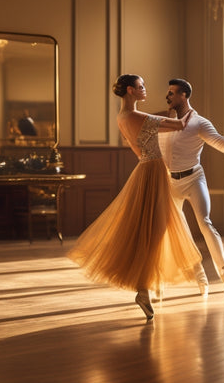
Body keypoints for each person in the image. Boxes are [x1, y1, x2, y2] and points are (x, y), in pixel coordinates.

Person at [67, 74, 202, 320]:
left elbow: (150, 126)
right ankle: (143, 288)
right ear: (130, 90)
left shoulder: (123, 117)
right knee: (155, 231)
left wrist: (167, 110)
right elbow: (179, 125)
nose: (145, 90)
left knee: (150, 230)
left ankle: (145, 288)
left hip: (145, 168)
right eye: (141, 87)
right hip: (154, 172)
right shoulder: (140, 117)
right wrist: (187, 109)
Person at [158, 78, 224, 295]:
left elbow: (218, 140)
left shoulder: (199, 122)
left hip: (194, 179)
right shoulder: (165, 122)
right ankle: (196, 278)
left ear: (184, 95)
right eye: (168, 93)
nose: (168, 97)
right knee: (173, 232)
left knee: (205, 223)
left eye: (172, 93)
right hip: (170, 182)